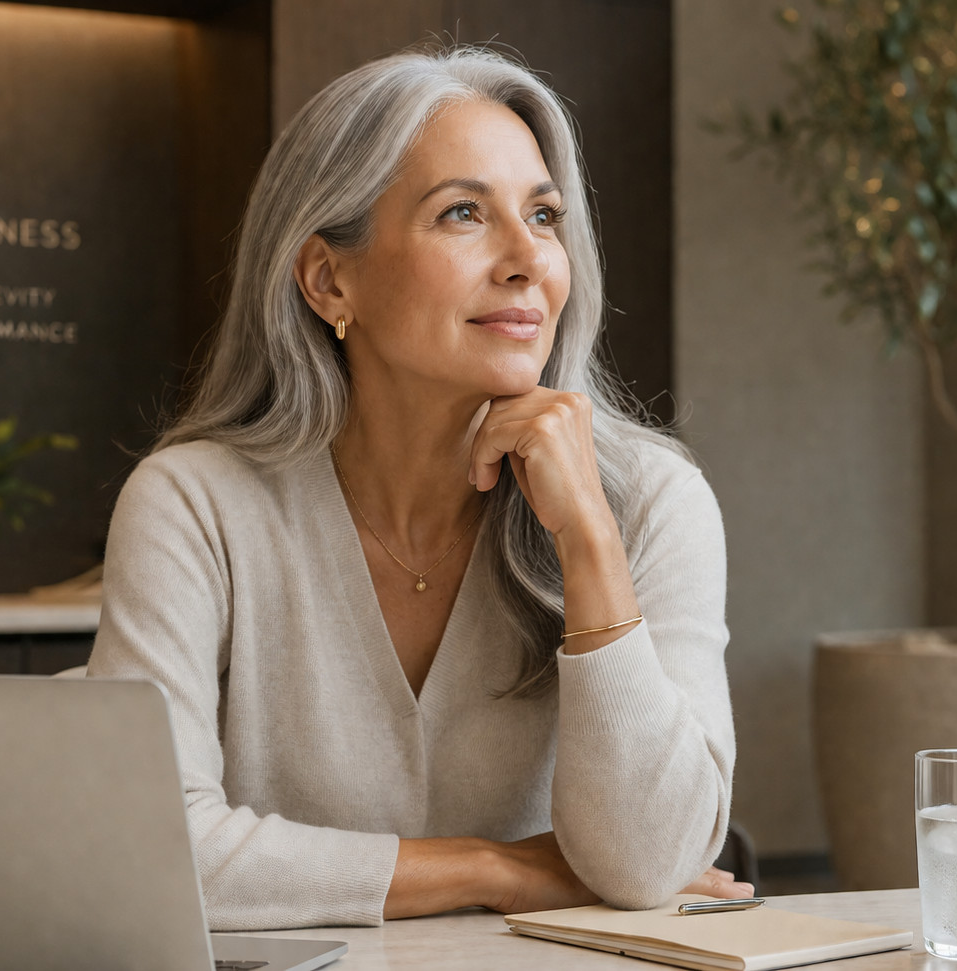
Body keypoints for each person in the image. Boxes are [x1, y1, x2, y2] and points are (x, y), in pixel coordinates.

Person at [86, 45, 743, 929]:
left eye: (544, 215)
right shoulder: (194, 503)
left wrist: (589, 542)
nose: (527, 260)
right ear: (328, 279)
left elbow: (650, 863)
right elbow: (145, 850)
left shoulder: (654, 501)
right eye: (463, 213)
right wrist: (493, 866)